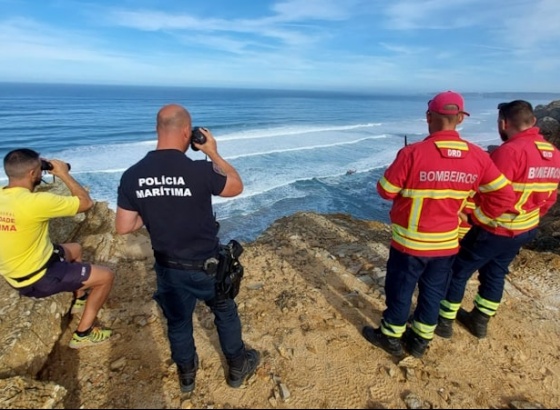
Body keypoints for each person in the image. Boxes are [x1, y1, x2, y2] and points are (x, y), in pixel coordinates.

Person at [115, 104, 260, 393]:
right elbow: (236, 186)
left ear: (158, 130)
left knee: (178, 323)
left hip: (169, 268)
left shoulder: (132, 175)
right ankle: (236, 368)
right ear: (186, 132)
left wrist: (155, 207)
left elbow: (124, 226)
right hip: (207, 266)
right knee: (224, 311)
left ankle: (187, 376)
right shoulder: (199, 170)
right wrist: (212, 151)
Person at [361, 91, 515, 358]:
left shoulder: (412, 153)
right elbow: (504, 196)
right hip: (447, 243)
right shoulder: (478, 156)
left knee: (401, 289)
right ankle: (420, 341)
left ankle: (391, 337)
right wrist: (477, 218)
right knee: (433, 293)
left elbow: (385, 190)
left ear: (429, 117)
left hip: (409, 244)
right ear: (460, 119)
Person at [436, 100, 560, 340]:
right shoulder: (554, 154)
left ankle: (444, 320)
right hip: (526, 228)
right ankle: (480, 321)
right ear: (533, 121)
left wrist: (474, 218)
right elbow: (549, 198)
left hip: (496, 228)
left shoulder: (510, 152)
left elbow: (494, 196)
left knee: (457, 270)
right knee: (495, 272)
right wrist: (530, 218)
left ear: (503, 123)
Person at [0, 149, 115, 348]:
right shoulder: (37, 202)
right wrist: (62, 173)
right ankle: (83, 333)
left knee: (76, 249)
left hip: (14, 274)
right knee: (106, 276)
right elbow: (85, 203)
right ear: (33, 174)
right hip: (39, 278)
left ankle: (80, 297)